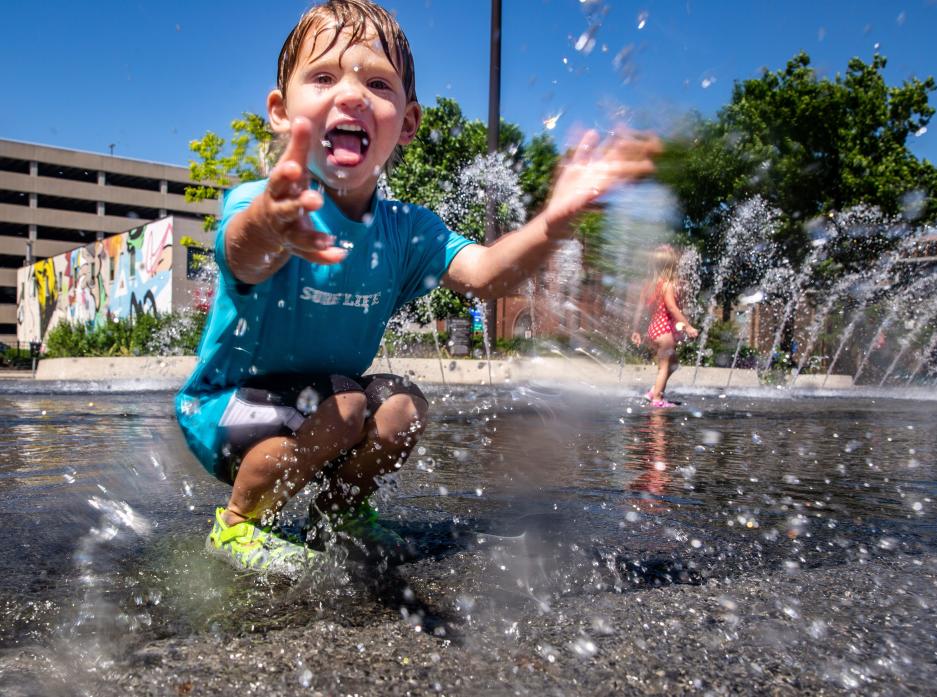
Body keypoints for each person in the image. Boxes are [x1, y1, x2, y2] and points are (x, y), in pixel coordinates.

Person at [175, 0, 662, 577]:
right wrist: (270, 223)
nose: (352, 94)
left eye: (377, 83)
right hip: (226, 411)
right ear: (281, 111)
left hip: (323, 405)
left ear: (407, 123)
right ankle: (239, 524)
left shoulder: (407, 230)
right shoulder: (263, 202)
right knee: (348, 404)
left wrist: (553, 224)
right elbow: (242, 252)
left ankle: (338, 515)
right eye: (324, 77)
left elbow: (484, 275)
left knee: (402, 405)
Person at [630, 244, 698, 408]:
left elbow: (640, 308)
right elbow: (672, 308)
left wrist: (636, 330)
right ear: (672, 265)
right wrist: (688, 326)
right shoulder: (667, 284)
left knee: (673, 363)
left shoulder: (649, 285)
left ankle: (653, 392)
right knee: (664, 367)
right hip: (664, 331)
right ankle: (657, 399)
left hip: (654, 329)